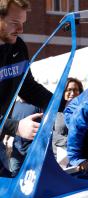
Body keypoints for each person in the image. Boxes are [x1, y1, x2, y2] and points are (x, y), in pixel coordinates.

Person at [0, 0, 65, 175]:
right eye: (15, 23)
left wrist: (64, 106)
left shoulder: (18, 47)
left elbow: (28, 88)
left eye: (23, 23)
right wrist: (16, 127)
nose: (20, 30)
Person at [52, 77, 83, 159]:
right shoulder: (54, 111)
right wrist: (68, 141)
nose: (72, 93)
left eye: (76, 90)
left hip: (81, 158)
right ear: (63, 92)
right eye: (68, 90)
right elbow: (49, 133)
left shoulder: (85, 110)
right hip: (59, 158)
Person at [10, 98, 42, 177]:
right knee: (14, 174)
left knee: (31, 176)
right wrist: (7, 139)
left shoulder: (37, 104)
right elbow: (10, 122)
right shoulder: (13, 104)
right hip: (16, 148)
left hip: (32, 148)